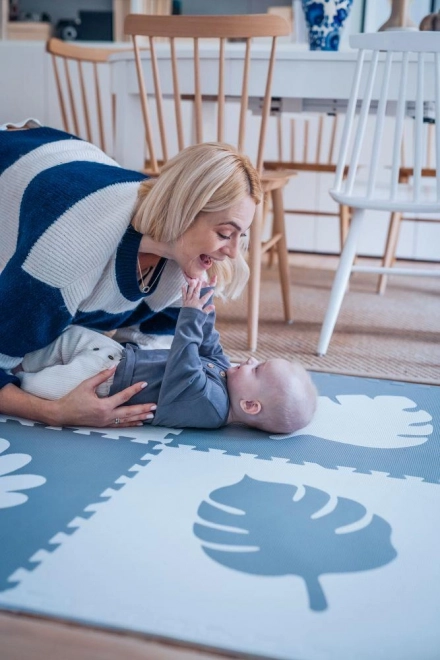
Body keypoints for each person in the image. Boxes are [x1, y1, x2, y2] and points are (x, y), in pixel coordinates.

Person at [0, 121, 261, 428]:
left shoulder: (188, 268)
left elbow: (144, 357)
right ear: (183, 212)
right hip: (19, 163)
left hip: (66, 160)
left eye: (240, 236)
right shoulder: (65, 257)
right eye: (224, 233)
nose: (232, 252)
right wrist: (54, 412)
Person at [15, 279, 317, 434]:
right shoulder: (227, 376)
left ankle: (17, 374)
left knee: (35, 386)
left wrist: (188, 316)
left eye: (257, 369)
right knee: (64, 337)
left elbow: (183, 366)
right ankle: (17, 355)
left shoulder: (211, 407)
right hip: (115, 356)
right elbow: (208, 343)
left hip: (100, 386)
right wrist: (205, 299)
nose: (249, 361)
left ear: (249, 405)